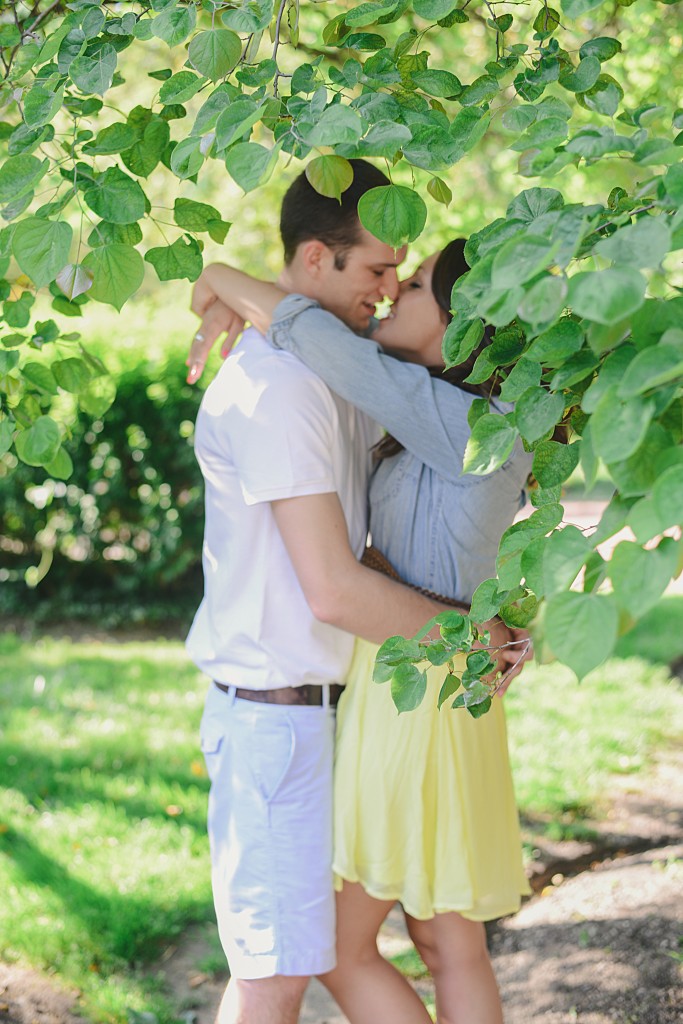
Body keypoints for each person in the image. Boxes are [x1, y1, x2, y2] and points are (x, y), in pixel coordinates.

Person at [185, 162, 519, 1024]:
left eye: (408, 280)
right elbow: (350, 575)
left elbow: (323, 340)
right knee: (408, 946)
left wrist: (223, 277)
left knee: (362, 947)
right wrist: (480, 631)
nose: (389, 290)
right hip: (339, 703)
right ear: (316, 256)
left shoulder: (432, 411)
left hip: (393, 697)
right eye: (381, 269)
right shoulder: (311, 391)